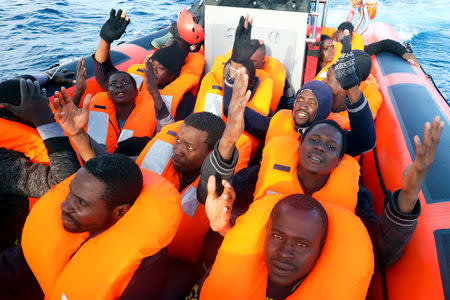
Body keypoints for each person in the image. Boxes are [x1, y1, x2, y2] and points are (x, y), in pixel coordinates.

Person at [197, 67, 445, 266]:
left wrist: (410, 191)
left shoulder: (354, 194)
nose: (319, 147)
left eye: (330, 146)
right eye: (314, 141)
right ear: (300, 144)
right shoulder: (266, 169)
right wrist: (228, 139)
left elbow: (380, 250)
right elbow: (208, 194)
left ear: (340, 159)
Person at [0, 154, 183, 299]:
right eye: (70, 193)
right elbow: (12, 264)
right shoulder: (67, 226)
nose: (65, 205)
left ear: (120, 212)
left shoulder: (145, 269)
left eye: (81, 203)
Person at [187, 193, 374, 299]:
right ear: (266, 233)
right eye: (277, 236)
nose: (285, 253)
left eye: (301, 244)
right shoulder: (227, 269)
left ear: (320, 247)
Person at [0, 79, 80, 252]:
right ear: (8, 110)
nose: (46, 103)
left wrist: (49, 76)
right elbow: (64, 182)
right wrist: (44, 122)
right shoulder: (4, 164)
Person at [93, 9, 199, 123]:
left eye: (161, 67)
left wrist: (154, 91)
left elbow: (174, 131)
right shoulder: (134, 81)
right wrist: (105, 39)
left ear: (173, 76)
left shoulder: (184, 100)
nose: (153, 70)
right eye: (152, 63)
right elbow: (105, 75)